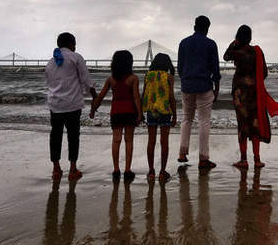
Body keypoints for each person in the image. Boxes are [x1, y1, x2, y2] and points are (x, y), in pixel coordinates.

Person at [223, 24, 278, 169]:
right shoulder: (257, 51)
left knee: (242, 124)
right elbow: (264, 73)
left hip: (239, 94)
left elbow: (225, 56)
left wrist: (234, 42)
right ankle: (257, 159)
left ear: (238, 36)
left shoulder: (237, 51)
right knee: (255, 123)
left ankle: (243, 160)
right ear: (250, 37)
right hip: (254, 92)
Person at [45, 32, 97, 180]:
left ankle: (56, 169)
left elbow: (49, 83)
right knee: (73, 136)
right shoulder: (76, 58)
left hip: (55, 105)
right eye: (74, 43)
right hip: (72, 105)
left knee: (55, 136)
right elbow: (86, 80)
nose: (75, 46)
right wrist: (95, 97)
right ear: (70, 43)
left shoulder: (50, 62)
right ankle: (73, 169)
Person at [177, 15, 221, 169]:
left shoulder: (183, 43)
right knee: (204, 121)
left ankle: (182, 153)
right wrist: (217, 87)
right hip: (204, 86)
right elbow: (215, 68)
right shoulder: (210, 44)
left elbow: (180, 68)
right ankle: (203, 158)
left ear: (194, 26)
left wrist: (186, 80)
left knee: (186, 119)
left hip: (187, 86)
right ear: (207, 28)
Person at [91, 50, 142, 182]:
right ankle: (127, 170)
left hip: (116, 112)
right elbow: (136, 97)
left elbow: (101, 96)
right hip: (130, 112)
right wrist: (140, 113)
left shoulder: (111, 79)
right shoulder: (133, 78)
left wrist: (93, 109)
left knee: (116, 140)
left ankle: (116, 170)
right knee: (129, 141)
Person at [143, 53, 178, 181]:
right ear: (167, 64)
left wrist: (141, 113)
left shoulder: (148, 75)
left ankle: (151, 171)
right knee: (164, 143)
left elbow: (144, 95)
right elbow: (171, 98)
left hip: (151, 111)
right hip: (164, 112)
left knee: (151, 142)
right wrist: (174, 115)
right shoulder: (168, 77)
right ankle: (163, 172)